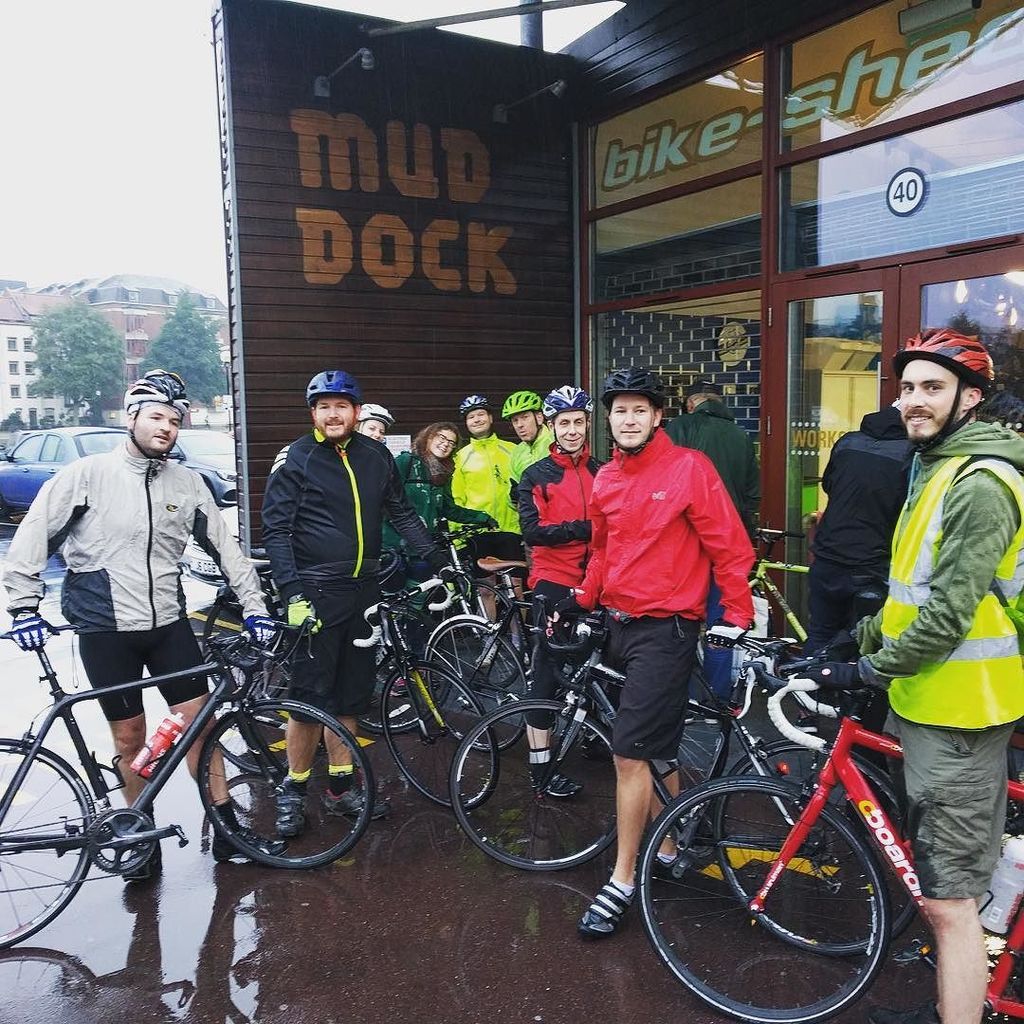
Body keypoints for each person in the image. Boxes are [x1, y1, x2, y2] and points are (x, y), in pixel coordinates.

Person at [803, 329, 1024, 1024]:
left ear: (971, 397)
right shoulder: (934, 467)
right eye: (907, 388)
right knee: (947, 877)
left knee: (947, 904)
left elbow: (946, 620)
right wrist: (843, 642)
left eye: (933, 387)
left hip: (961, 714)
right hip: (925, 701)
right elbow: (908, 597)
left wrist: (862, 668)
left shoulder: (982, 483)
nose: (914, 402)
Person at [3, 370, 282, 876]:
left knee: (202, 728)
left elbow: (228, 552)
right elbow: (31, 540)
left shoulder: (187, 482)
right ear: (131, 418)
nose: (167, 428)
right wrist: (23, 607)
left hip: (168, 624)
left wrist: (256, 607)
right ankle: (138, 837)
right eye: (157, 417)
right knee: (131, 738)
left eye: (175, 421)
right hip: (106, 631)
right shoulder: (85, 476)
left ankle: (226, 830)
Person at [568, 367, 754, 939]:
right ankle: (673, 840)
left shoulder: (689, 469)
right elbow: (601, 550)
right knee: (650, 745)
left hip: (667, 629)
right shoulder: (606, 479)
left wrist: (737, 618)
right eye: (619, 411)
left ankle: (624, 878)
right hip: (617, 624)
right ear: (611, 419)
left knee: (628, 754)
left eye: (638, 410)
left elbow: (731, 547)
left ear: (656, 416)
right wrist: (582, 601)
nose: (628, 419)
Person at [261, 370, 447, 837]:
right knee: (307, 701)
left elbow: (400, 511)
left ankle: (340, 788)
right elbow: (277, 532)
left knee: (349, 697)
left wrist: (436, 558)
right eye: (323, 406)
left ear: (356, 411)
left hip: (364, 590)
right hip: (316, 595)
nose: (332, 413)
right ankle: (294, 789)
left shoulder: (376, 455)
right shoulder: (296, 459)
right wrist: (293, 595)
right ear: (313, 414)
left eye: (341, 405)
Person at [516, 385, 601, 797]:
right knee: (547, 676)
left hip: (598, 582)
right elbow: (533, 532)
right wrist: (582, 531)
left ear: (588, 423)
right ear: (550, 425)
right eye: (563, 423)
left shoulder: (602, 471)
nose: (572, 430)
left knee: (601, 666)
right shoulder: (536, 475)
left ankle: (592, 735)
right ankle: (541, 770)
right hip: (554, 582)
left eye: (578, 422)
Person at [666, 378, 760, 696]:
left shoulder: (678, 427)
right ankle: (716, 698)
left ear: (691, 403)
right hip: (728, 545)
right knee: (722, 622)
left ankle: (686, 695)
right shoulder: (741, 436)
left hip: (685, 544)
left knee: (681, 621)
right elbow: (751, 494)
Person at [805, 404, 912, 655]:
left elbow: (830, 485)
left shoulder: (848, 442)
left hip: (828, 557)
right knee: (864, 642)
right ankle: (844, 689)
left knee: (820, 634)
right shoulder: (912, 454)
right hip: (872, 564)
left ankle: (806, 690)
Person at [382, 421, 497, 579]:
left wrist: (482, 517)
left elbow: (448, 509)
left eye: (451, 443)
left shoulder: (444, 474)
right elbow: (386, 501)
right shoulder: (406, 462)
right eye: (441, 438)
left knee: (422, 598)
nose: (445, 444)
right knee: (395, 597)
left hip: (425, 551)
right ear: (428, 438)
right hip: (396, 549)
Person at [451, 394, 523, 576]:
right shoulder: (460, 457)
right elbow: (457, 497)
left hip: (511, 528)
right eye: (471, 417)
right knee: (485, 588)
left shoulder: (512, 450)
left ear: (490, 418)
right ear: (466, 423)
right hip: (478, 531)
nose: (477, 420)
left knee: (517, 584)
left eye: (480, 414)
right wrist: (457, 536)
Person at [503, 390, 553, 495]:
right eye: (515, 420)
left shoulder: (555, 443)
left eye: (525, 417)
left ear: (539, 418)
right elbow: (511, 494)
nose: (519, 425)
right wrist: (513, 497)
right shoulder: (517, 452)